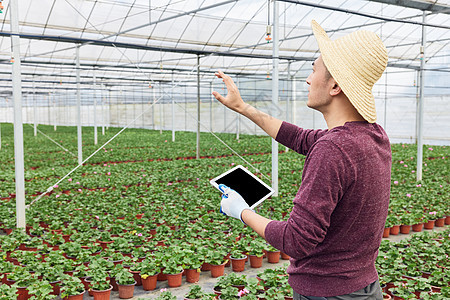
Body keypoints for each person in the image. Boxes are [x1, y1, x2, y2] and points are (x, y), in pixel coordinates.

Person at [212, 20, 391, 300]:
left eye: (314, 70)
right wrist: (242, 108)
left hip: (327, 293)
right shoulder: (373, 135)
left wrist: (242, 211)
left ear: (334, 86)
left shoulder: (333, 149)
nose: (308, 79)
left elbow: (297, 240)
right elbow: (297, 137)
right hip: (363, 285)